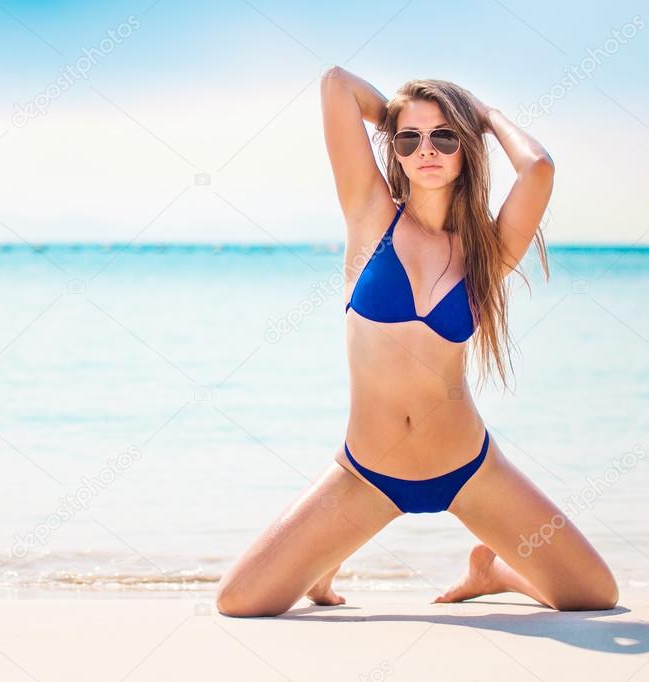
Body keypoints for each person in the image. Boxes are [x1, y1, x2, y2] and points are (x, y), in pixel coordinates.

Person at [215, 66, 618, 617]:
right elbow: (336, 84)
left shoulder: (486, 252)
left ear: (465, 148)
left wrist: (485, 116)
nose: (427, 150)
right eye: (411, 140)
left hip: (470, 469)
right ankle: (325, 560)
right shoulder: (369, 213)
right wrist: (396, 118)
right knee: (239, 602)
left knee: (594, 596)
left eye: (444, 137)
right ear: (396, 150)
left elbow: (538, 168)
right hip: (366, 473)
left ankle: (494, 571)